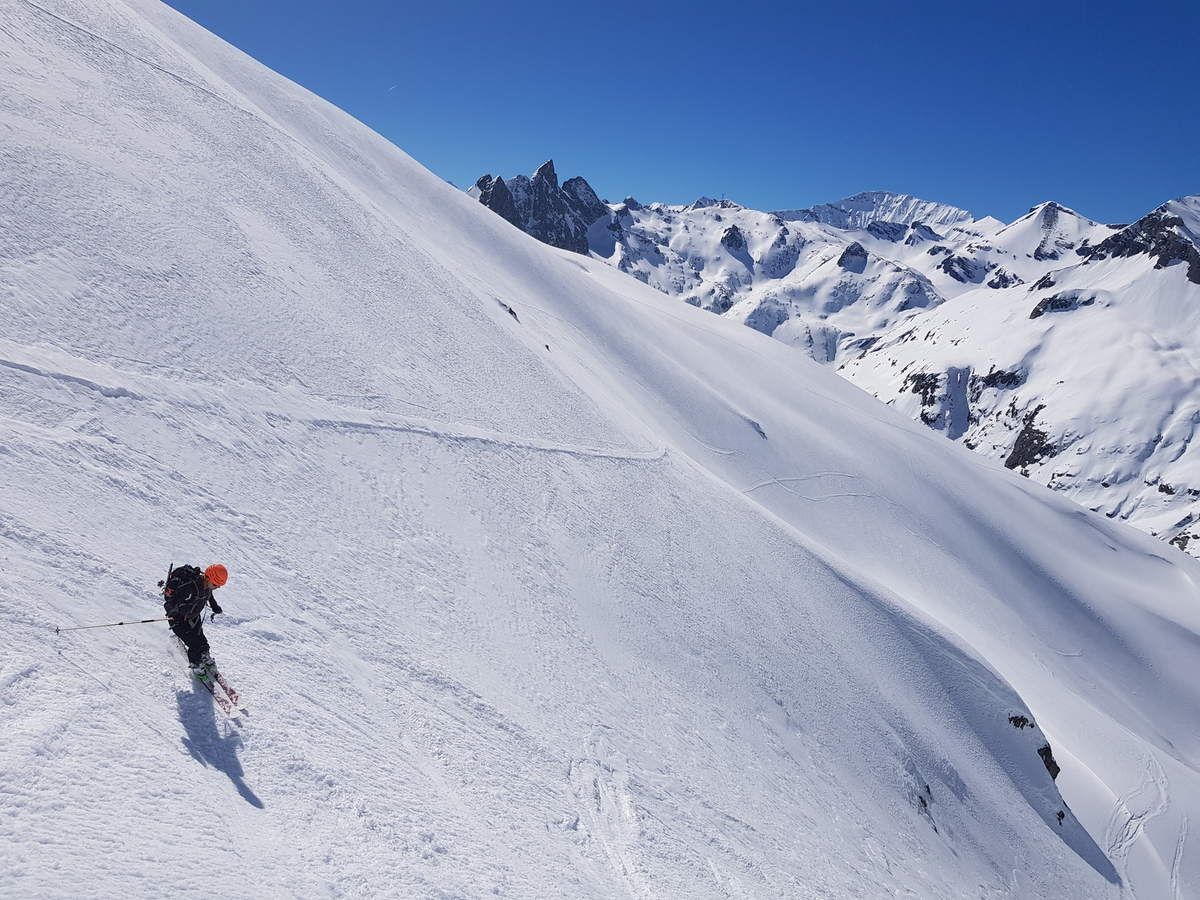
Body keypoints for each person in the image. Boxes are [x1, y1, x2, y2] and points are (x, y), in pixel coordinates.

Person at [162, 563, 227, 679]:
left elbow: (210, 596)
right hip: (178, 620)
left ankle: (204, 657)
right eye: (216, 585)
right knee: (194, 644)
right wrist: (173, 610)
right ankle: (196, 665)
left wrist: (215, 607)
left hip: (193, 617)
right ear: (208, 578)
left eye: (219, 586)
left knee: (203, 643)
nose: (217, 587)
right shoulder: (190, 587)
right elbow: (169, 603)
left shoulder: (207, 586)